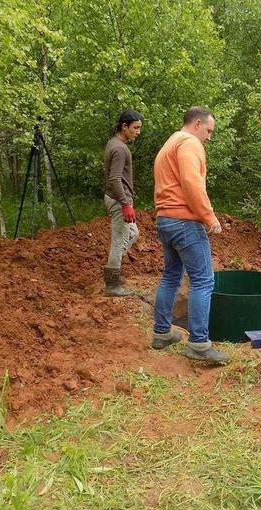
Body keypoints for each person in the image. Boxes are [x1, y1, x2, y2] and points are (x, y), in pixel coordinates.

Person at [150, 106, 229, 365]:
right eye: (209, 131)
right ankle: (199, 344)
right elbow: (191, 182)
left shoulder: (170, 143)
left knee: (172, 276)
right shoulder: (189, 143)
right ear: (197, 125)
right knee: (204, 281)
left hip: (166, 220)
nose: (209, 137)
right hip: (184, 222)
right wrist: (209, 216)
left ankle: (162, 333)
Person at [103, 109, 143, 297]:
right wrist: (126, 204)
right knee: (119, 241)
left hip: (120, 199)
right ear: (124, 126)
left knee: (133, 233)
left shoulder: (115, 143)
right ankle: (112, 285)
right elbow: (114, 179)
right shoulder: (119, 148)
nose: (138, 132)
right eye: (135, 128)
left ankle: (114, 268)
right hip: (120, 201)